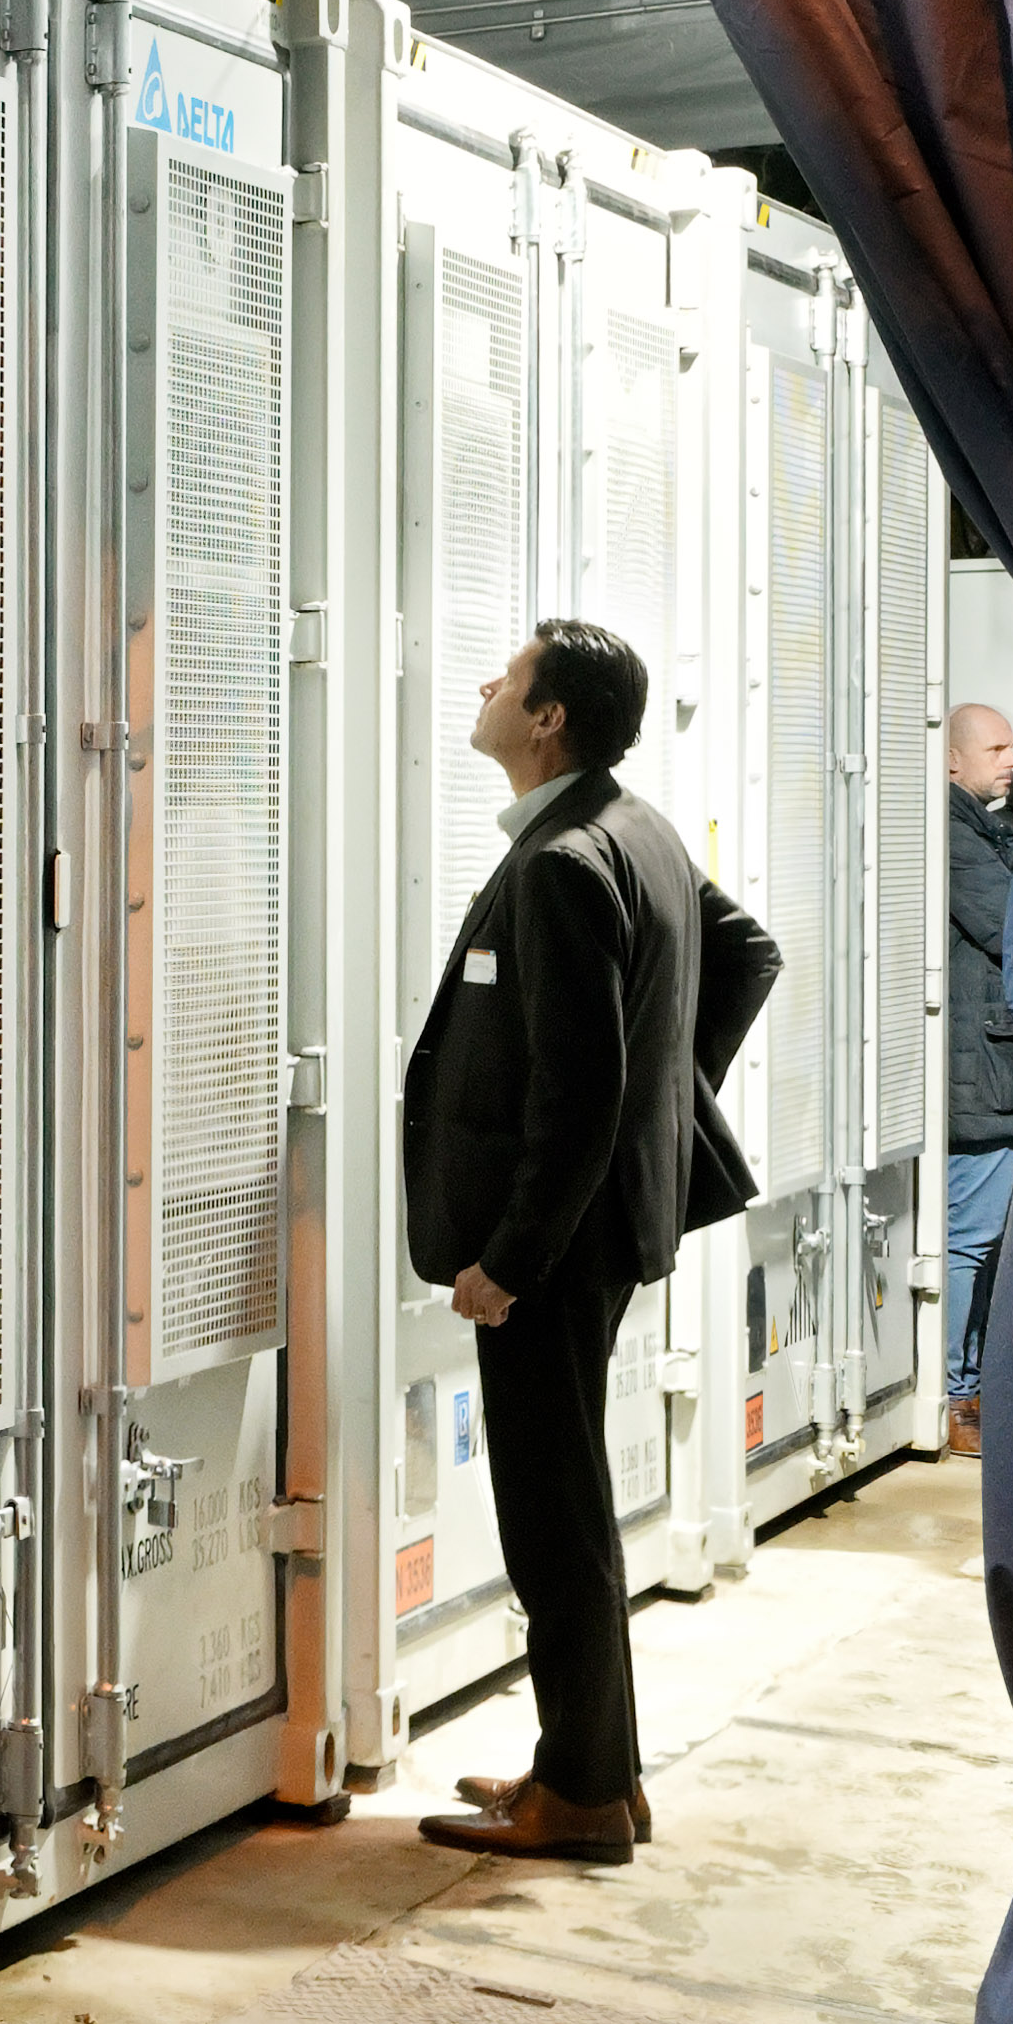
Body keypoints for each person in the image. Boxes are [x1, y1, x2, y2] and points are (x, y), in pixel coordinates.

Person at [403, 615, 778, 1869]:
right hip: (597, 1228)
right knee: (571, 1506)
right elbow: (744, 953)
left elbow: (574, 1092)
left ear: (548, 717)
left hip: (551, 1251)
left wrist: (509, 1255)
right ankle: (593, 1771)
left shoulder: (567, 859)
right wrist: (659, 1119)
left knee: (553, 1519)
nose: (487, 686)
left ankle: (581, 1796)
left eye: (506, 678)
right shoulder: (637, 829)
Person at [937, 696, 1013, 1449]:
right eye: (996, 749)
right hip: (984, 1077)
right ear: (951, 760)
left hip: (998, 1073)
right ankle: (954, 1396)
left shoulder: (981, 827)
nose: (1012, 761)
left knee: (984, 1237)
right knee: (971, 1238)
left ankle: (965, 1388)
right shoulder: (951, 833)